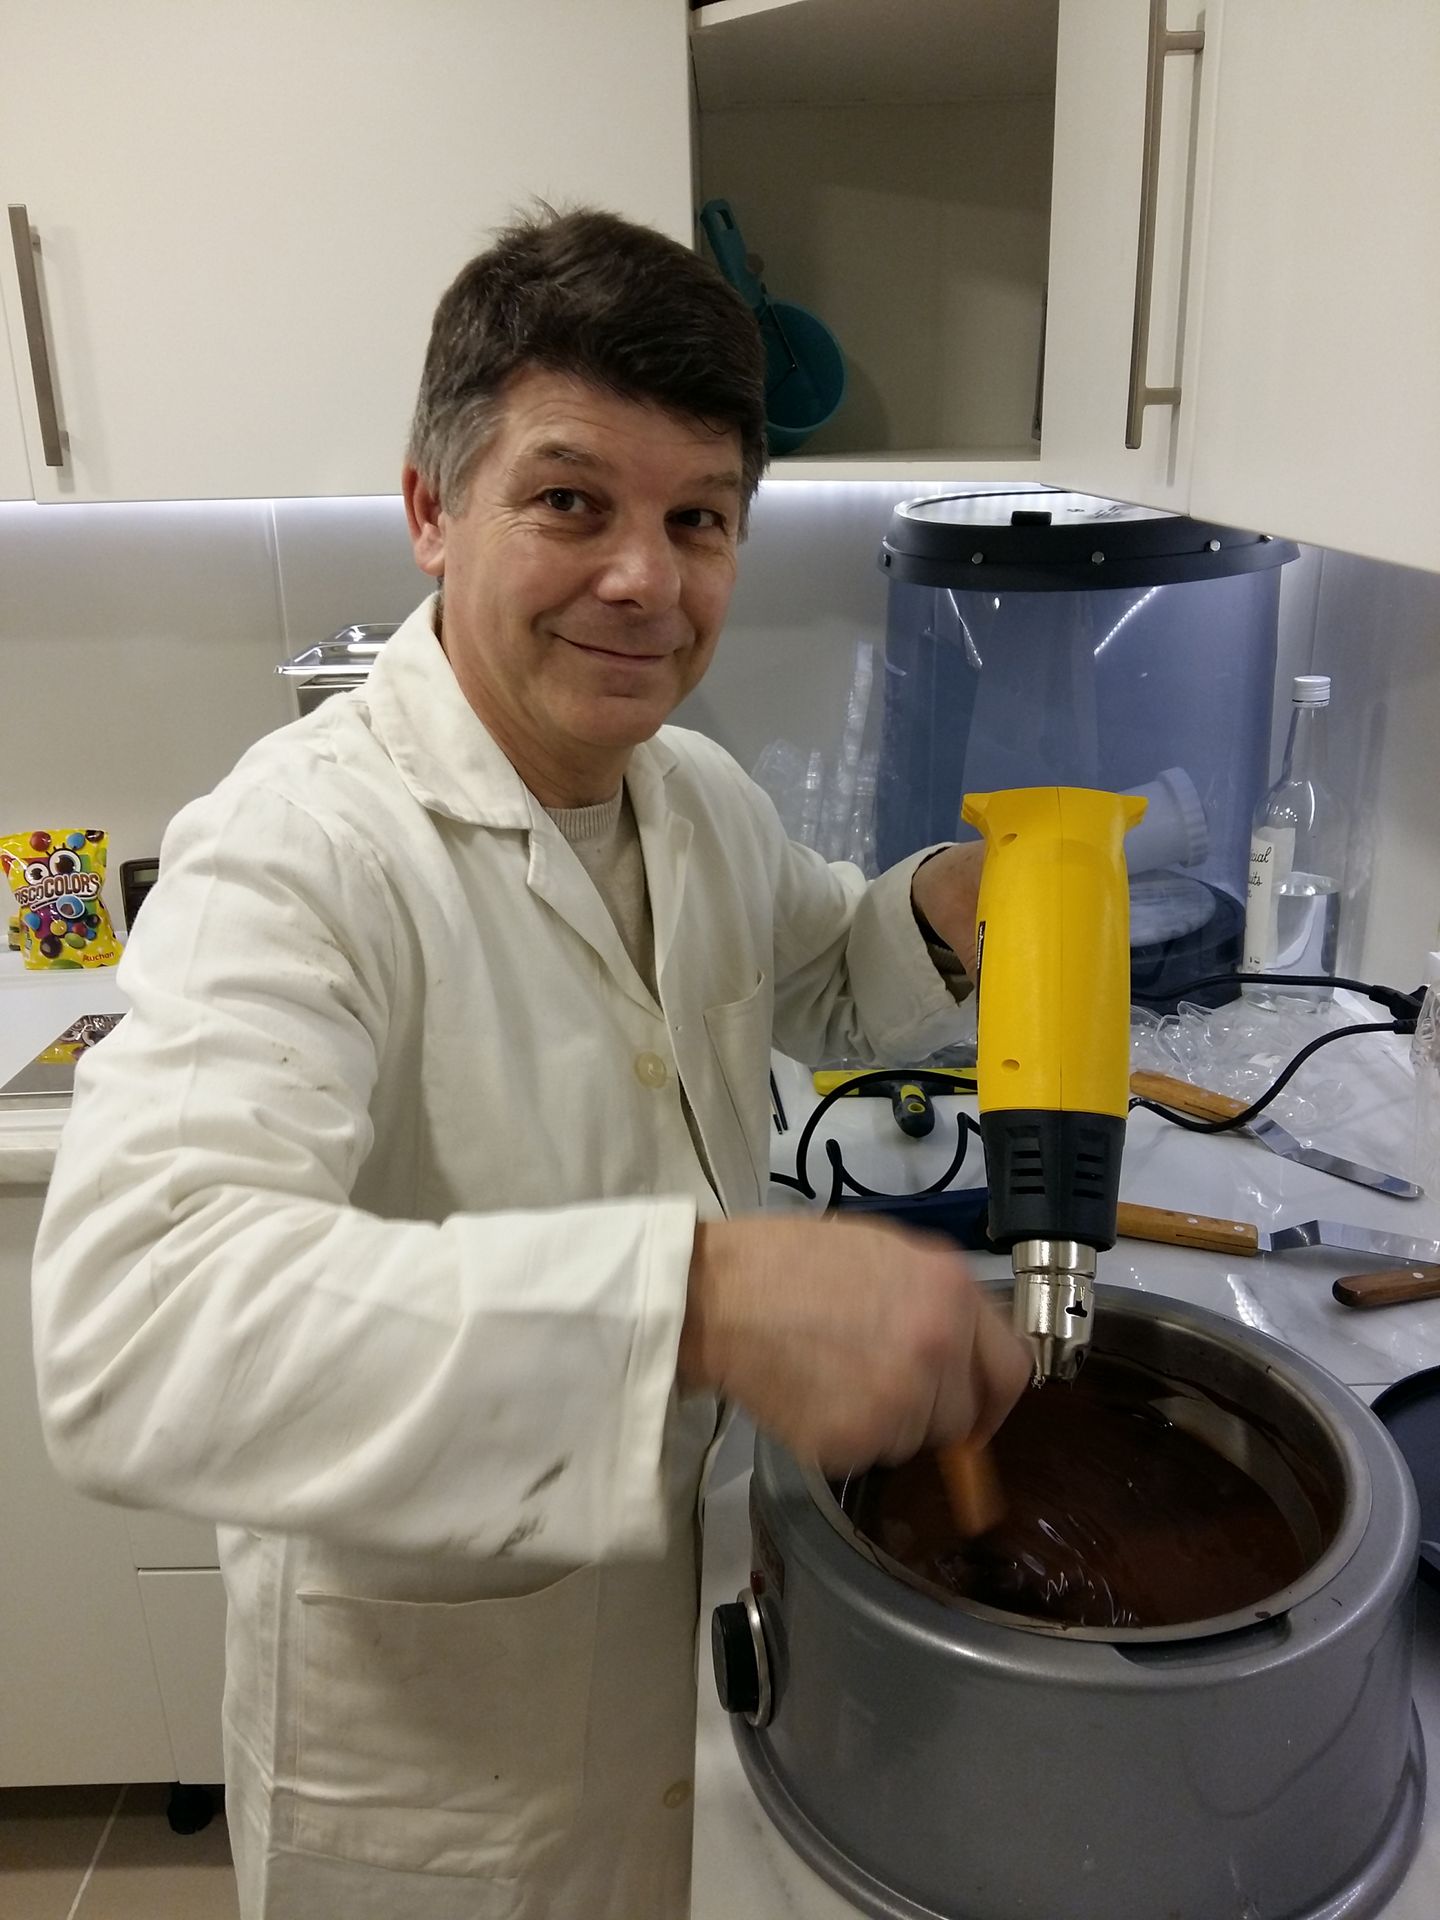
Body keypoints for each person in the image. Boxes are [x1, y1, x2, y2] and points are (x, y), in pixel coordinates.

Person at [31, 208, 1029, 1920]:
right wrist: (698, 1301)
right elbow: (138, 1328)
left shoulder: (691, 793)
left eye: (697, 518)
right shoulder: (296, 848)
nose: (646, 578)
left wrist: (944, 905)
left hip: (686, 1668)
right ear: (432, 511)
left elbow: (815, 973)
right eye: (571, 501)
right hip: (435, 1791)